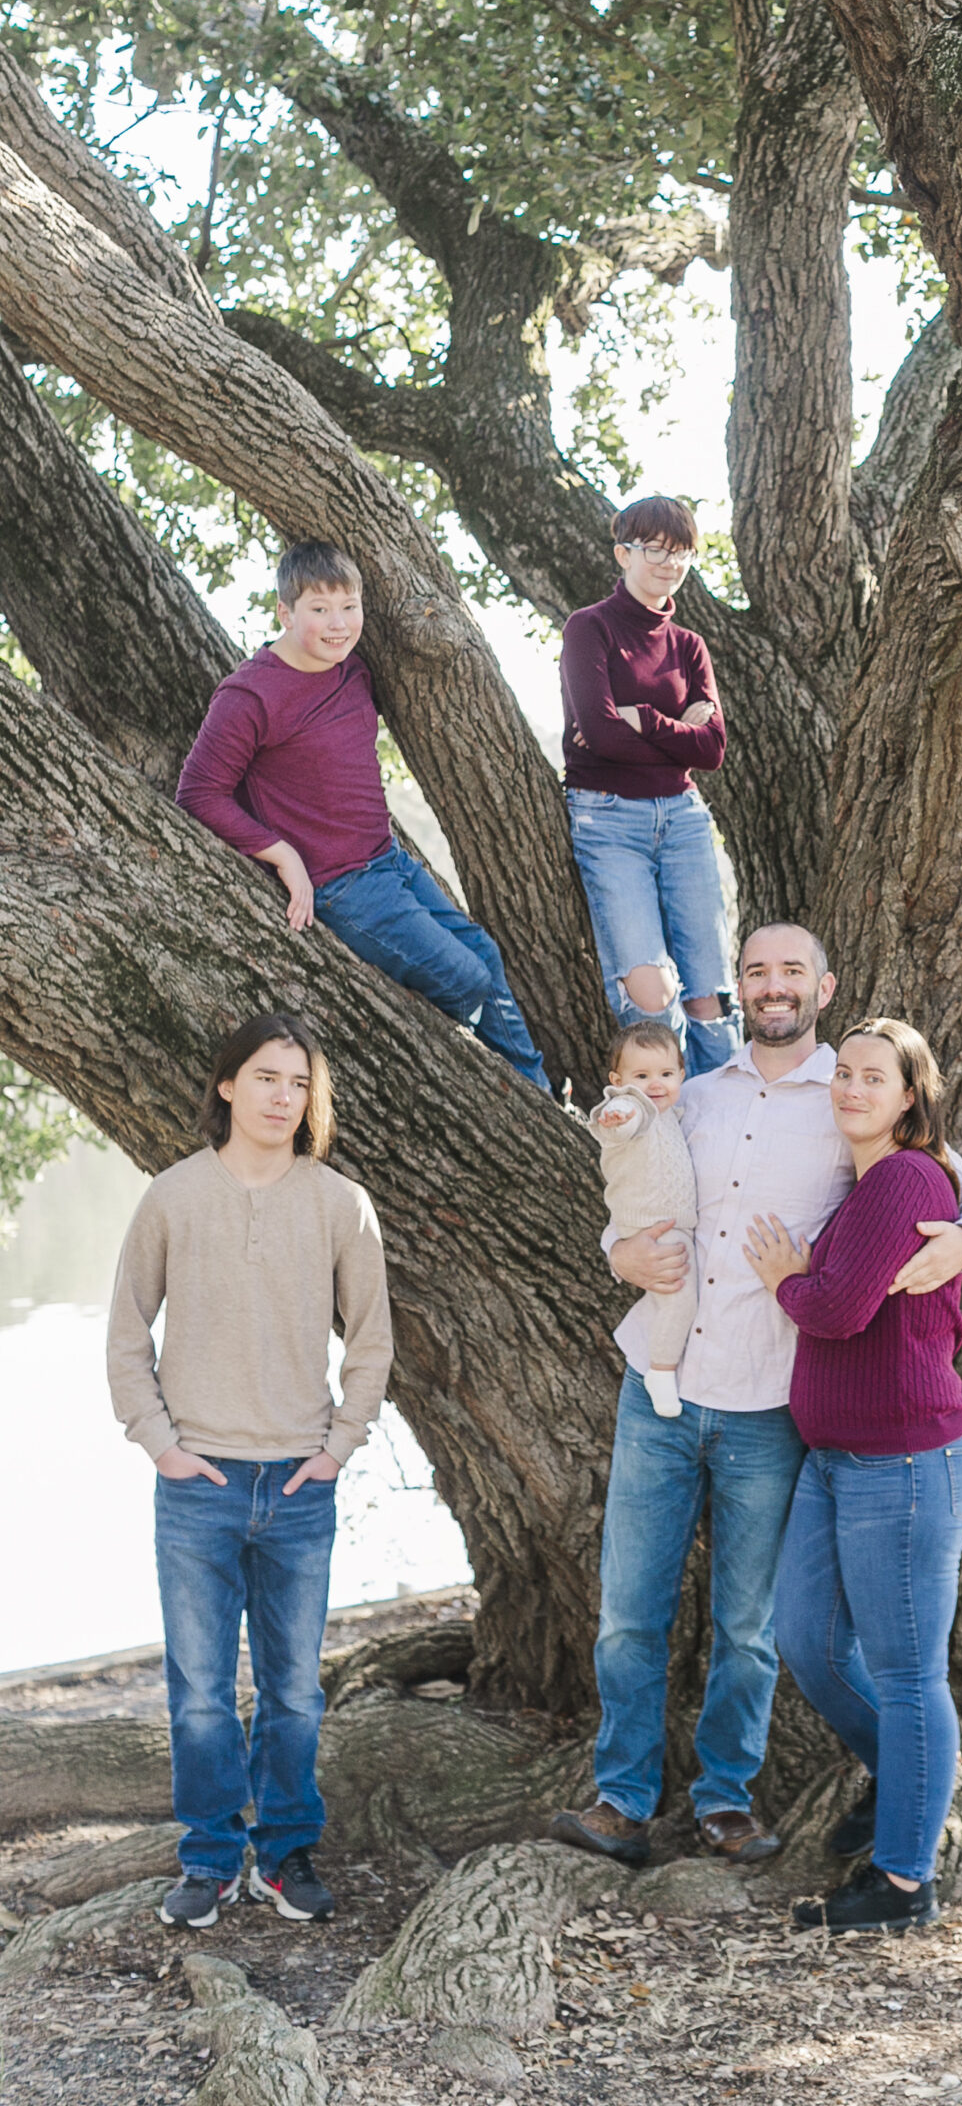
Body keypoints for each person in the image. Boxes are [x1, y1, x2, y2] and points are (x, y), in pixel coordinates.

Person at [548, 924, 962, 1871]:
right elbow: (633, 1192)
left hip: (771, 1405)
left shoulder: (854, 1093)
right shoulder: (693, 1095)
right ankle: (623, 1797)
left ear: (823, 986)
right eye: (756, 971)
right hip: (663, 1391)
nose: (773, 986)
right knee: (630, 1611)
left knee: (747, 1626)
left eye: (792, 970)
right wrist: (614, 1254)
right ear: (737, 988)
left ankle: (725, 1797)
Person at [105, 1013, 391, 1929]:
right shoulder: (173, 1196)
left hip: (299, 1484)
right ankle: (210, 1857)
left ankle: (285, 1852)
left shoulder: (339, 1202)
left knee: (295, 1691)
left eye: (299, 1083)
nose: (283, 1097)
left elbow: (373, 1341)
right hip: (198, 1483)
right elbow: (123, 1335)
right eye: (266, 1078)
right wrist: (158, 1440)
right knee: (196, 1692)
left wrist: (340, 1446)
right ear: (228, 1085)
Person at [745, 1018, 962, 1937]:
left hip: (910, 1462)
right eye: (840, 1074)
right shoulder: (862, 1186)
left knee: (905, 1670)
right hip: (837, 1459)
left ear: (910, 1096)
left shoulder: (904, 1179)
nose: (850, 1088)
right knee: (807, 1642)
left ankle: (900, 1883)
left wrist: (786, 1280)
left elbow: (839, 1311)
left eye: (871, 1077)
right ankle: (910, 1779)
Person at [177, 540, 552, 1094]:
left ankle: (538, 1095)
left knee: (484, 956)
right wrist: (283, 856)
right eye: (319, 609)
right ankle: (492, 1093)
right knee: (464, 978)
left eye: (349, 606)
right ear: (284, 612)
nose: (338, 623)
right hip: (341, 887)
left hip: (388, 859)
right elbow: (198, 793)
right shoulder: (250, 695)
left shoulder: (352, 669)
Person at [560, 496, 738, 1077]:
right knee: (651, 992)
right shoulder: (590, 629)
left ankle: (730, 1129)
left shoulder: (688, 646)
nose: (669, 562)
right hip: (608, 820)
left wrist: (641, 718)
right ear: (623, 553)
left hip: (684, 821)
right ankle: (668, 1124)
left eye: (681, 551)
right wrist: (670, 730)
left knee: (708, 994)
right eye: (654, 549)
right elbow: (600, 736)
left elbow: (712, 750)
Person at [592, 1019, 698, 1420]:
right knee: (681, 1299)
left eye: (666, 1074)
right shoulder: (634, 1109)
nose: (655, 1084)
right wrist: (618, 1113)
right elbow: (621, 1117)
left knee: (674, 1298)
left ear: (682, 1075)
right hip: (650, 1227)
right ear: (619, 1080)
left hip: (670, 1225)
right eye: (642, 1075)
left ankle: (663, 1361)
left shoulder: (671, 1113)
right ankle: (661, 1370)